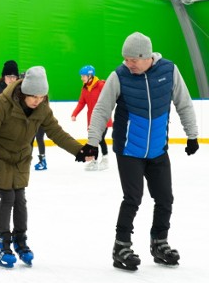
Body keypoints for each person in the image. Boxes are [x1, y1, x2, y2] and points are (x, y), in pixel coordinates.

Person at [83, 32, 199, 271]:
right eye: (125, 59)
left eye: (133, 59)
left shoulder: (168, 71)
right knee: (133, 198)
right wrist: (93, 142)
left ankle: (160, 243)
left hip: (158, 149)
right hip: (128, 150)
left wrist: (192, 135)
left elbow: (184, 103)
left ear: (146, 57)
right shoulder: (119, 76)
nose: (128, 64)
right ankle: (121, 246)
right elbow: (102, 109)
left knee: (165, 198)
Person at [0, 66, 94, 268]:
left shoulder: (42, 108)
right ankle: (2, 245)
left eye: (41, 96)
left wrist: (79, 151)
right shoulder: (2, 104)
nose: (37, 101)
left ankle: (20, 242)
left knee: (20, 198)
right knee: (8, 197)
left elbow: (56, 132)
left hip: (21, 158)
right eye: (33, 97)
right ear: (23, 92)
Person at [71, 65, 112, 171]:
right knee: (92, 140)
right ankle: (94, 161)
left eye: (83, 76)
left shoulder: (101, 85)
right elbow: (81, 102)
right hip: (91, 120)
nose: (81, 78)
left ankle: (105, 159)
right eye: (81, 76)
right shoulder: (85, 88)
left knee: (100, 139)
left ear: (90, 76)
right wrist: (75, 114)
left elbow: (110, 98)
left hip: (103, 118)